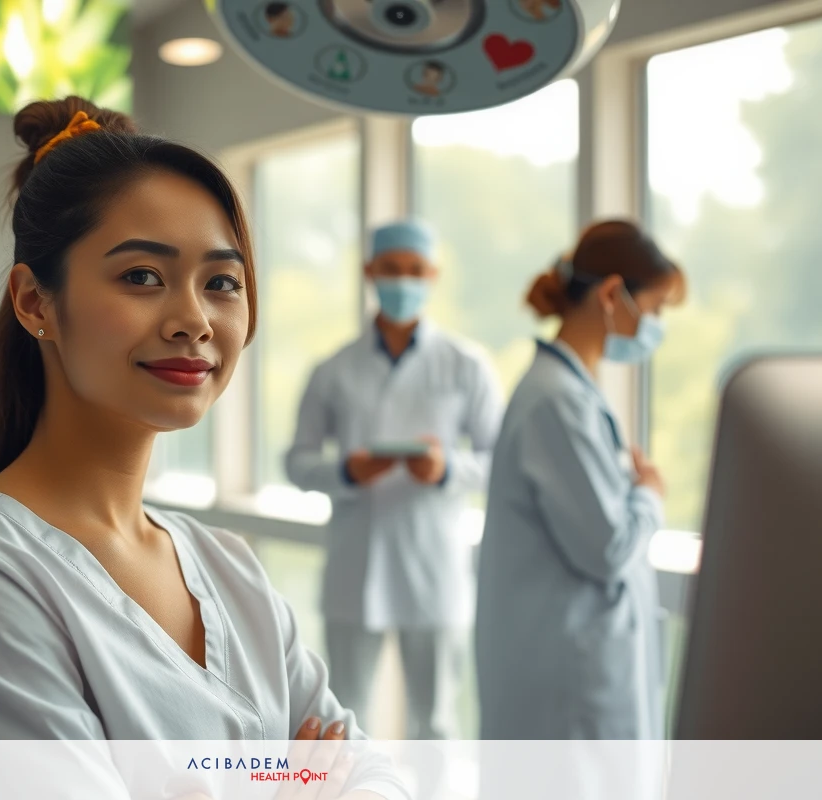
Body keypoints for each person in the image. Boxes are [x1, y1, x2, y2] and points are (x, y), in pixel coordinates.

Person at [0, 96, 405, 797]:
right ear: (35, 302)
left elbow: (373, 774)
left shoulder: (228, 569)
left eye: (222, 283)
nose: (193, 319)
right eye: (142, 277)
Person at [285, 220, 504, 739]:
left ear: (432, 275)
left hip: (434, 564)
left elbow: (502, 462)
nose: (403, 281)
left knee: (435, 723)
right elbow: (297, 461)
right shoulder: (333, 369)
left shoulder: (466, 365)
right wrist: (346, 471)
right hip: (354, 563)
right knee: (347, 715)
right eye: (391, 269)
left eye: (414, 271)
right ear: (369, 272)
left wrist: (447, 468)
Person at [475, 219, 686, 739]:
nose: (655, 325)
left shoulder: (570, 392)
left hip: (576, 673)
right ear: (613, 294)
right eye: (655, 309)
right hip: (568, 687)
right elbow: (608, 548)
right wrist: (649, 496)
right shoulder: (556, 402)